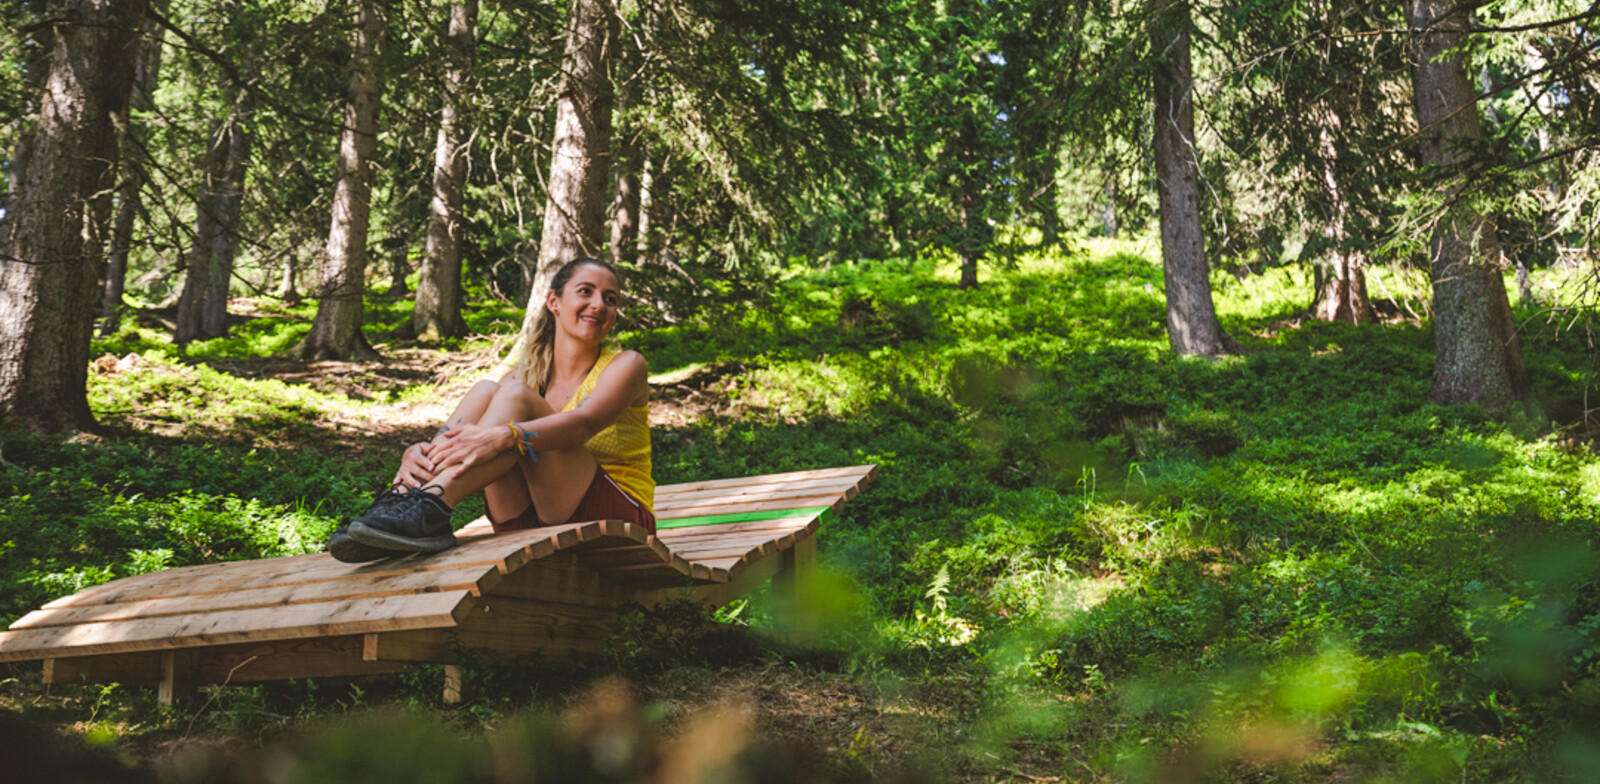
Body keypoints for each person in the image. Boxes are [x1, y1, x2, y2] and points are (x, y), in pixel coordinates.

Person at [327, 257, 653, 563]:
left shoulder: (626, 365)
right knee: (487, 389)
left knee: (515, 400)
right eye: (586, 291)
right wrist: (421, 452)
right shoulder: (522, 377)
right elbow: (482, 427)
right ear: (554, 302)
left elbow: (583, 423)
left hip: (617, 522)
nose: (599, 304)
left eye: (610, 299)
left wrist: (505, 437)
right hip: (531, 518)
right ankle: (404, 498)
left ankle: (432, 507)